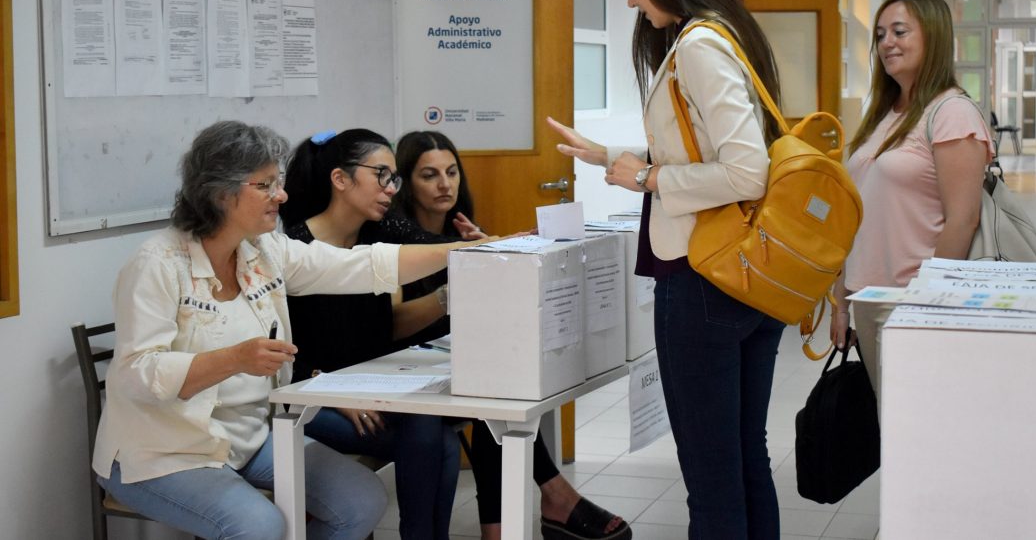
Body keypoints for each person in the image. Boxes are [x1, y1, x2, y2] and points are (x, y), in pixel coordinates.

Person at [93, 121, 476, 540]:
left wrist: (467, 251)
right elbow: (138, 375)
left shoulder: (264, 250)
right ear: (220, 192)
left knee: (362, 502)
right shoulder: (157, 265)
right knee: (259, 527)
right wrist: (234, 359)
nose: (283, 195)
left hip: (248, 438)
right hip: (163, 451)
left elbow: (361, 266)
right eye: (266, 185)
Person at [548, 0, 787, 539]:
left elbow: (746, 173)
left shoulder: (699, 45)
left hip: (705, 282)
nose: (629, 0)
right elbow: (705, 151)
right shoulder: (726, 33)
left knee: (713, 475)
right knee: (741, 459)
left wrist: (649, 179)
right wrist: (609, 157)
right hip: (745, 279)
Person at [393, 130, 632, 540]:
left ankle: (509, 524)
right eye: (429, 175)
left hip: (455, 364)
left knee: (503, 392)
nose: (444, 184)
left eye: (451, 172)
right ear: (406, 183)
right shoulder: (396, 238)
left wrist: (489, 261)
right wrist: (458, 282)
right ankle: (550, 500)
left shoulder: (464, 229)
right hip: (407, 370)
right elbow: (395, 327)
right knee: (495, 401)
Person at [279, 128, 470, 540]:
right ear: (340, 179)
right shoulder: (293, 249)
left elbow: (433, 247)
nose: (391, 189)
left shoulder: (378, 232)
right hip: (309, 399)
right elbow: (281, 351)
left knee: (442, 438)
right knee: (427, 431)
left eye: (394, 178)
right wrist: (327, 387)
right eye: (381, 175)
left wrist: (473, 257)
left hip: (366, 388)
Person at [830, 0, 993, 393]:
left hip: (913, 300)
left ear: (933, 37)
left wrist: (925, 304)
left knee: (916, 429)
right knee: (891, 427)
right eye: (881, 34)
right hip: (868, 297)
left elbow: (963, 219)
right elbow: (857, 213)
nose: (887, 43)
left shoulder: (952, 112)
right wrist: (840, 299)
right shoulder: (886, 112)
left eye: (900, 31)